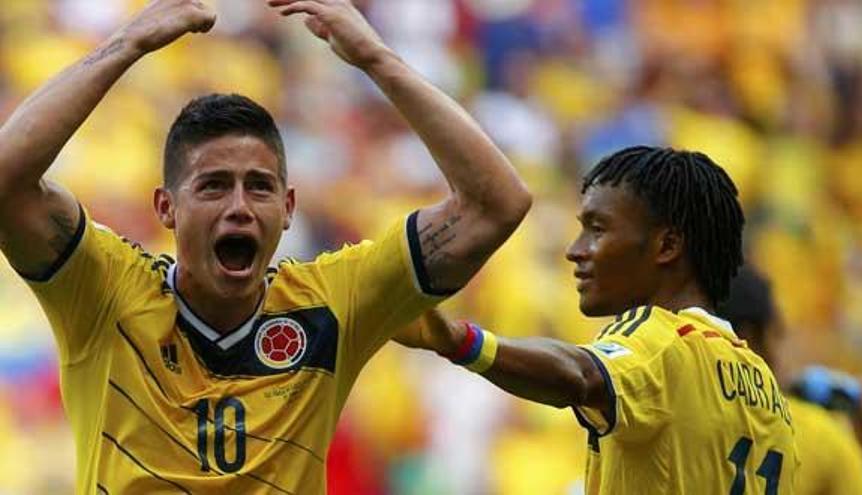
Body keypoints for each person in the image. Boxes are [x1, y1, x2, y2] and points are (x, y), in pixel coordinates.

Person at [0, 0, 531, 493]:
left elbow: (497, 204)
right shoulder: (105, 292)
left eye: (259, 186)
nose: (239, 206)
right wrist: (125, 46)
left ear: (288, 207)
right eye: (212, 186)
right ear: (165, 208)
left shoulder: (334, 302)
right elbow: (6, 184)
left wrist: (376, 59)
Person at [398, 146, 798, 493]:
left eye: (597, 229)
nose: (575, 251)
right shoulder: (767, 390)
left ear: (667, 245)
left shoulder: (659, 338)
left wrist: (460, 342)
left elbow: (582, 376)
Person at [717, 266, 862, 495]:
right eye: (777, 334)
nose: (782, 355)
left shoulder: (673, 414)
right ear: (749, 338)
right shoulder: (817, 434)